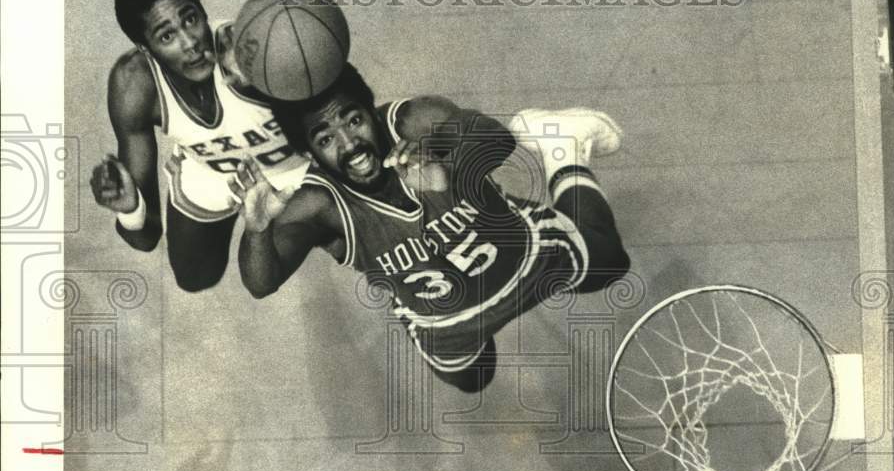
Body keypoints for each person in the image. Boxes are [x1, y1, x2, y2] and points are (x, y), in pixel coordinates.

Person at [230, 63, 630, 392]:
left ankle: (563, 148)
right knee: (474, 379)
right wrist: (258, 228)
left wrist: (447, 171)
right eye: (326, 138)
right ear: (309, 153)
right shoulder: (321, 204)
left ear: (371, 110)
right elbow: (260, 282)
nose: (350, 144)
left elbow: (497, 139)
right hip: (446, 324)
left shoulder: (412, 121)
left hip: (525, 254)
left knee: (612, 264)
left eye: (353, 121)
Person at [89, 0, 310, 292]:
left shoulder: (250, 50)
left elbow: (335, 107)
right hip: (213, 166)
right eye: (167, 36)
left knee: (280, 267)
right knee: (194, 277)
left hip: (292, 166)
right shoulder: (135, 83)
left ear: (204, 13)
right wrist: (130, 208)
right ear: (146, 50)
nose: (190, 42)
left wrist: (278, 84)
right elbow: (146, 237)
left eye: (191, 19)